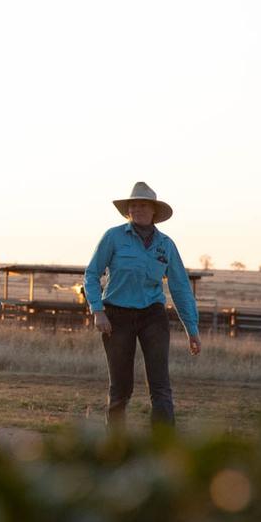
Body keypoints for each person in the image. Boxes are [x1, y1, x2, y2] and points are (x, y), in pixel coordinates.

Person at [84, 181, 201, 428]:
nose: (137, 209)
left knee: (160, 384)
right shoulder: (113, 237)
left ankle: (164, 445)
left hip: (152, 315)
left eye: (143, 205)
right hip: (116, 314)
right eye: (133, 205)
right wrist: (98, 311)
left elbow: (180, 287)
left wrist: (192, 329)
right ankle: (115, 446)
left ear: (154, 212)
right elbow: (92, 274)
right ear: (128, 211)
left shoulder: (166, 245)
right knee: (120, 386)